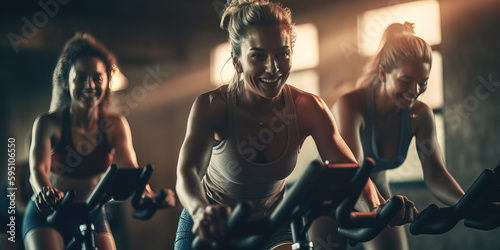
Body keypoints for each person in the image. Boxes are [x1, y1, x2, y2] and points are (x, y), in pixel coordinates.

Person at [174, 2, 418, 249]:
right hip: (211, 225)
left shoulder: (308, 107)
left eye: (282, 54)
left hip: (272, 224)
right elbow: (187, 172)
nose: (273, 68)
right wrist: (200, 211)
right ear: (237, 61)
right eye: (258, 56)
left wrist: (378, 208)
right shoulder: (213, 106)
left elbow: (348, 170)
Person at [22, 33, 175, 250]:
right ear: (66, 82)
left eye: (98, 78)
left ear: (107, 82)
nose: (90, 85)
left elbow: (130, 169)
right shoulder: (48, 123)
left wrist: (149, 194)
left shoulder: (116, 125)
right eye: (81, 77)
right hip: (48, 215)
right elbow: (38, 170)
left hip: (90, 211)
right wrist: (44, 191)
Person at [332, 22, 465, 250]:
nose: (414, 91)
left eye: (422, 83)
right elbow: (353, 172)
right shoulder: (351, 105)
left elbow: (435, 174)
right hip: (332, 197)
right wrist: (378, 208)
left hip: (378, 194)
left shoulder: (420, 115)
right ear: (383, 73)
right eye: (406, 81)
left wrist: (469, 204)